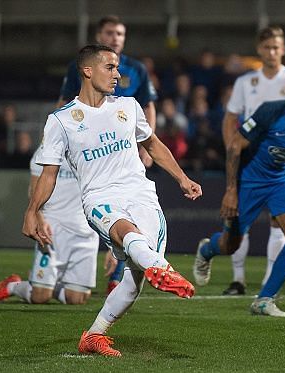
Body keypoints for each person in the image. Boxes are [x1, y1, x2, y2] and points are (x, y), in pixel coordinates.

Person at [22, 44, 202, 356]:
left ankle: (93, 335)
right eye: (110, 67)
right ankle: (161, 267)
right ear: (87, 71)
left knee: (133, 281)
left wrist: (182, 178)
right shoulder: (61, 120)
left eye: (117, 67)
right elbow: (48, 173)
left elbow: (154, 145)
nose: (117, 74)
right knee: (128, 234)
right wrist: (32, 210)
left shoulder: (129, 107)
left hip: (141, 194)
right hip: (99, 198)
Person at [193, 76, 285, 317]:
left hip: (281, 181)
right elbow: (234, 146)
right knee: (231, 245)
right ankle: (207, 250)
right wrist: (231, 190)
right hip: (249, 179)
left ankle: (264, 299)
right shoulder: (271, 112)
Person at [211, 26, 285, 296]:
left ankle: (267, 283)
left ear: (284, 49)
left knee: (281, 224)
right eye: (267, 47)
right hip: (250, 160)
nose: (272, 52)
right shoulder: (246, 82)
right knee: (240, 224)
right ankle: (238, 280)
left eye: (276, 47)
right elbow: (231, 118)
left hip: (282, 163)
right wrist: (233, 148)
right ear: (259, 50)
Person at [57, 15, 158, 294]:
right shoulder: (78, 67)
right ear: (99, 34)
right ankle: (75, 266)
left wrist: (146, 145)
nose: (116, 37)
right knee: (94, 209)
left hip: (124, 152)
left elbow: (147, 107)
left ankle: (118, 272)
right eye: (110, 32)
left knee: (131, 210)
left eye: (120, 34)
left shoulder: (136, 69)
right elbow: (65, 102)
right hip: (93, 151)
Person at [0, 148, 102, 305]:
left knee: (77, 298)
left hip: (85, 230)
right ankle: (12, 286)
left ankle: (49, 283)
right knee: (40, 296)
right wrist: (39, 217)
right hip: (53, 228)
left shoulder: (93, 147)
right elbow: (33, 190)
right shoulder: (47, 150)